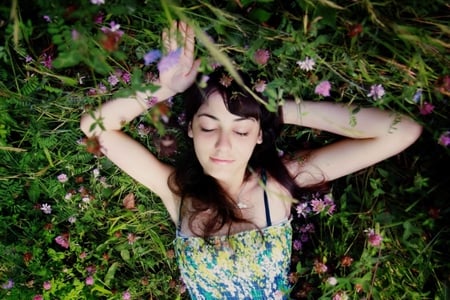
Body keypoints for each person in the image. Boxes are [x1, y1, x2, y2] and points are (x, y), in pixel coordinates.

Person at [80, 21, 422, 299]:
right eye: (208, 126)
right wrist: (167, 87)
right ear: (191, 131)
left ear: (259, 135)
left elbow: (401, 132)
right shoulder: (178, 194)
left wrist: (276, 110)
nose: (223, 145)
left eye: (242, 131)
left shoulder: (279, 185)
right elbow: (95, 130)